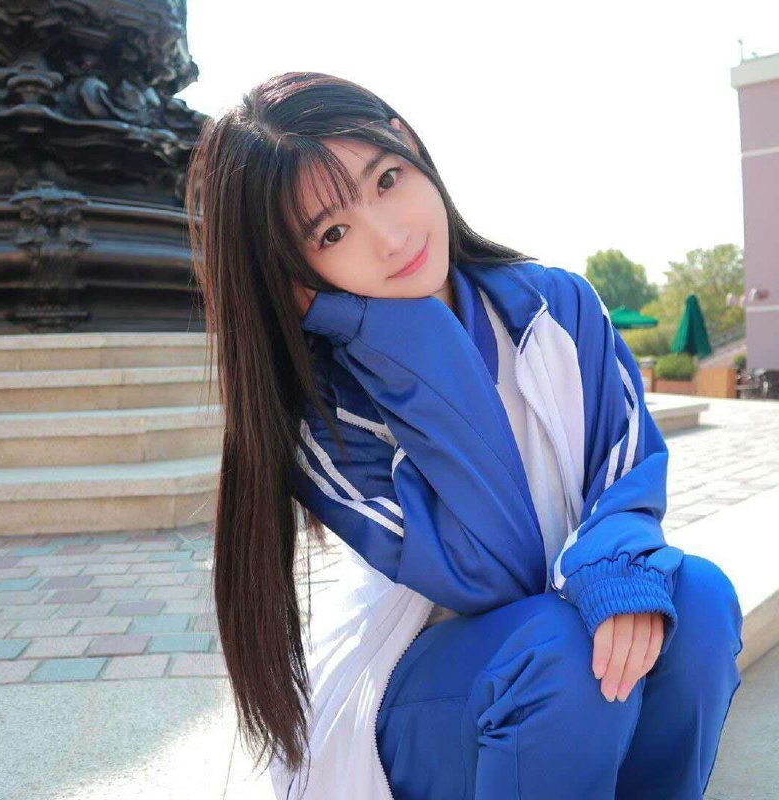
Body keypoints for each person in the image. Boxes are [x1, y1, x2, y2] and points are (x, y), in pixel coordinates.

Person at [184, 71, 744, 800]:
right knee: (557, 654)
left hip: (552, 640)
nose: (391, 237)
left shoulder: (556, 306)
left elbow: (627, 470)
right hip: (417, 685)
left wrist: (616, 570)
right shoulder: (319, 409)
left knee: (696, 601)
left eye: (386, 180)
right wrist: (408, 336)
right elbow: (491, 569)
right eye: (333, 233)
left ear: (408, 142)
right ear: (294, 272)